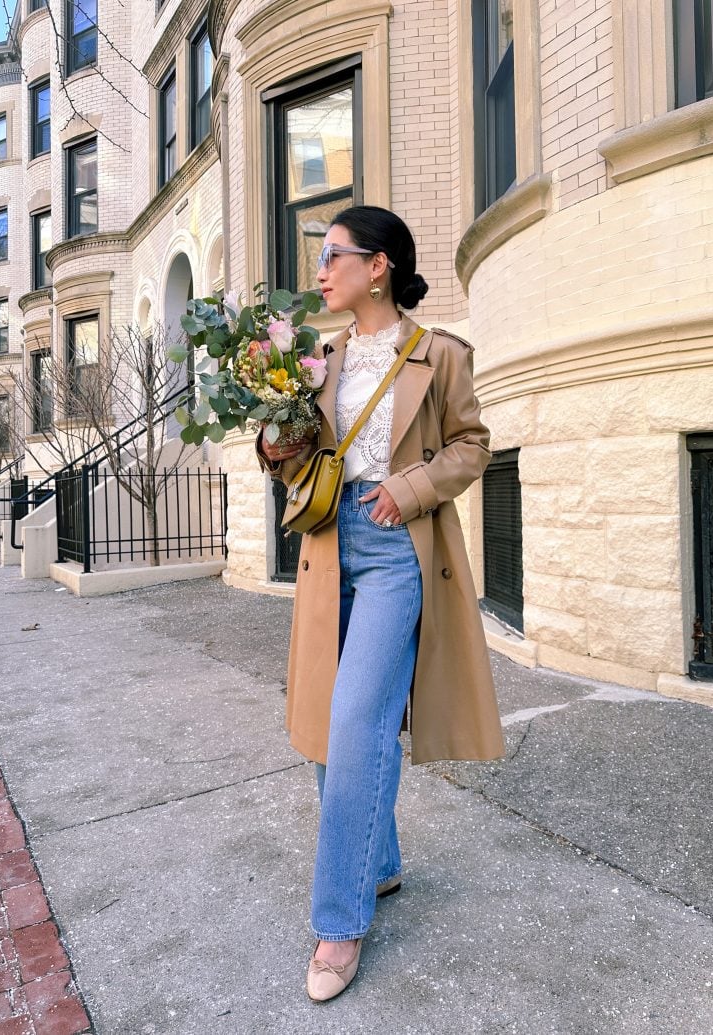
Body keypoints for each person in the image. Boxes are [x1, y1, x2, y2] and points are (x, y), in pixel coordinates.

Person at [257, 205, 505, 1002]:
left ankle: (339, 921)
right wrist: (275, 442)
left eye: (333, 254)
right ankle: (382, 861)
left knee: (360, 719)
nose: (320, 269)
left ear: (379, 266)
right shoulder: (316, 359)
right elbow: (294, 455)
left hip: (399, 548)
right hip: (328, 545)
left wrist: (412, 487)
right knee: (326, 724)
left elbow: (472, 444)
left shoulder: (440, 353)